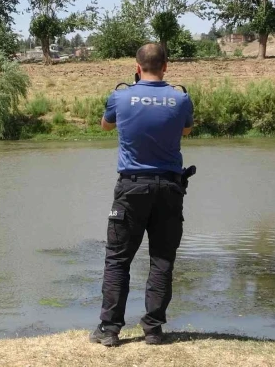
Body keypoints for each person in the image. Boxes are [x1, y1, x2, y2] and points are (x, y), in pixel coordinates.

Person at [89, 43, 194, 347]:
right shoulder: (180, 98)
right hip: (170, 189)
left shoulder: (120, 96)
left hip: (131, 188)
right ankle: (153, 329)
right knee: (162, 260)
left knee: (118, 259)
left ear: (137, 67)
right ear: (166, 66)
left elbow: (105, 125)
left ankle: (109, 330)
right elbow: (186, 130)